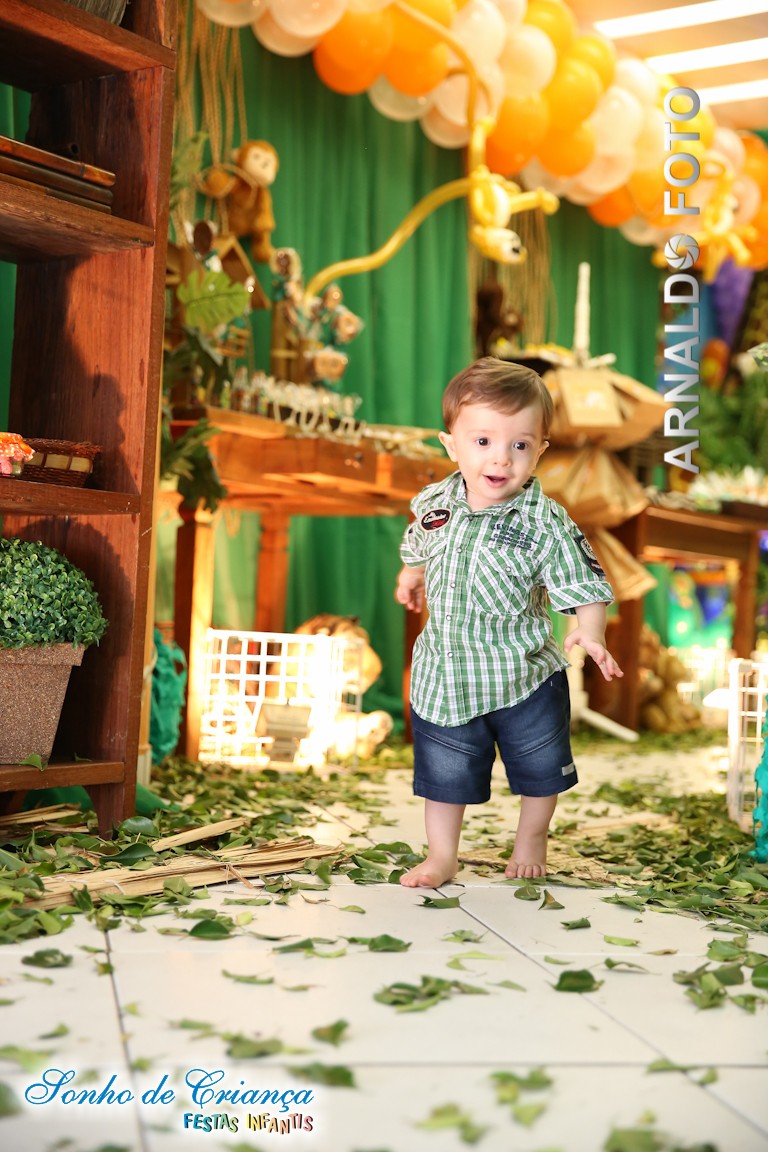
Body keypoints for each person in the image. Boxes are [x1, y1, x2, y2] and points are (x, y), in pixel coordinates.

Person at [394, 357, 623, 888]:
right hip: (447, 675)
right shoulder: (436, 502)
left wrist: (589, 630)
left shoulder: (545, 523)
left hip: (524, 676)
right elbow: (419, 540)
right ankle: (442, 855)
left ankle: (531, 837)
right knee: (444, 775)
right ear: (450, 445)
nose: (500, 458)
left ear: (540, 449)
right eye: (482, 442)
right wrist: (411, 574)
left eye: (519, 445)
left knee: (540, 770)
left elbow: (584, 579)